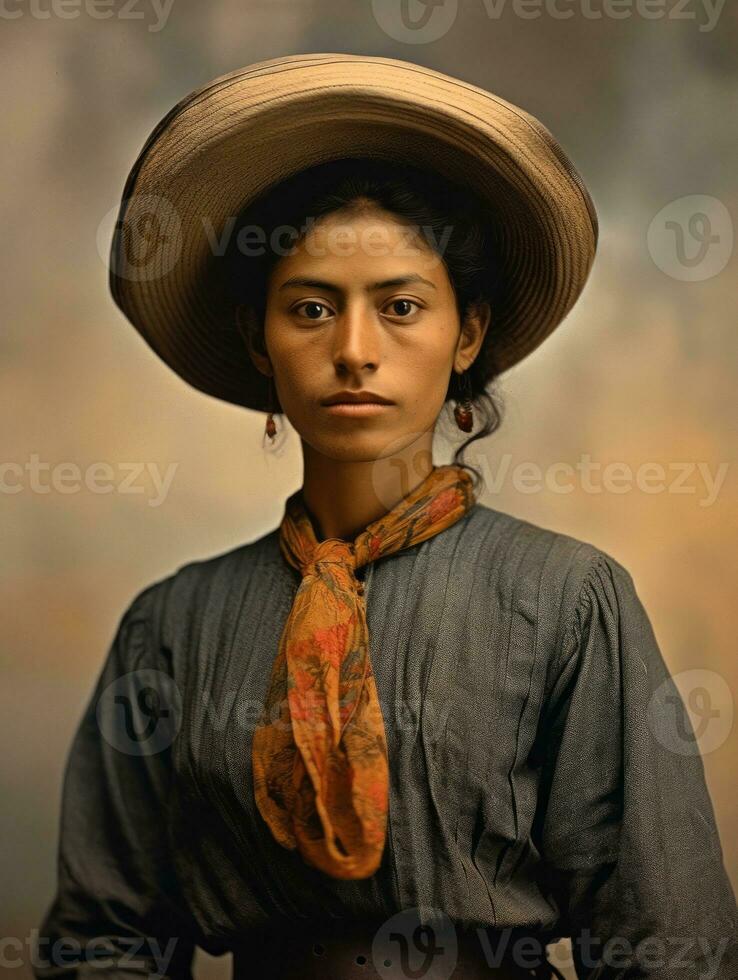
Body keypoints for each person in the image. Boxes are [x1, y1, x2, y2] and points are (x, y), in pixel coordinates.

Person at [33, 54, 737, 980]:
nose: (355, 351)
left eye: (401, 306)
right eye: (312, 308)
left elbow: (663, 939)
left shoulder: (567, 600)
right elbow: (103, 940)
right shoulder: (174, 627)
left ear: (468, 334)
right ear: (259, 339)